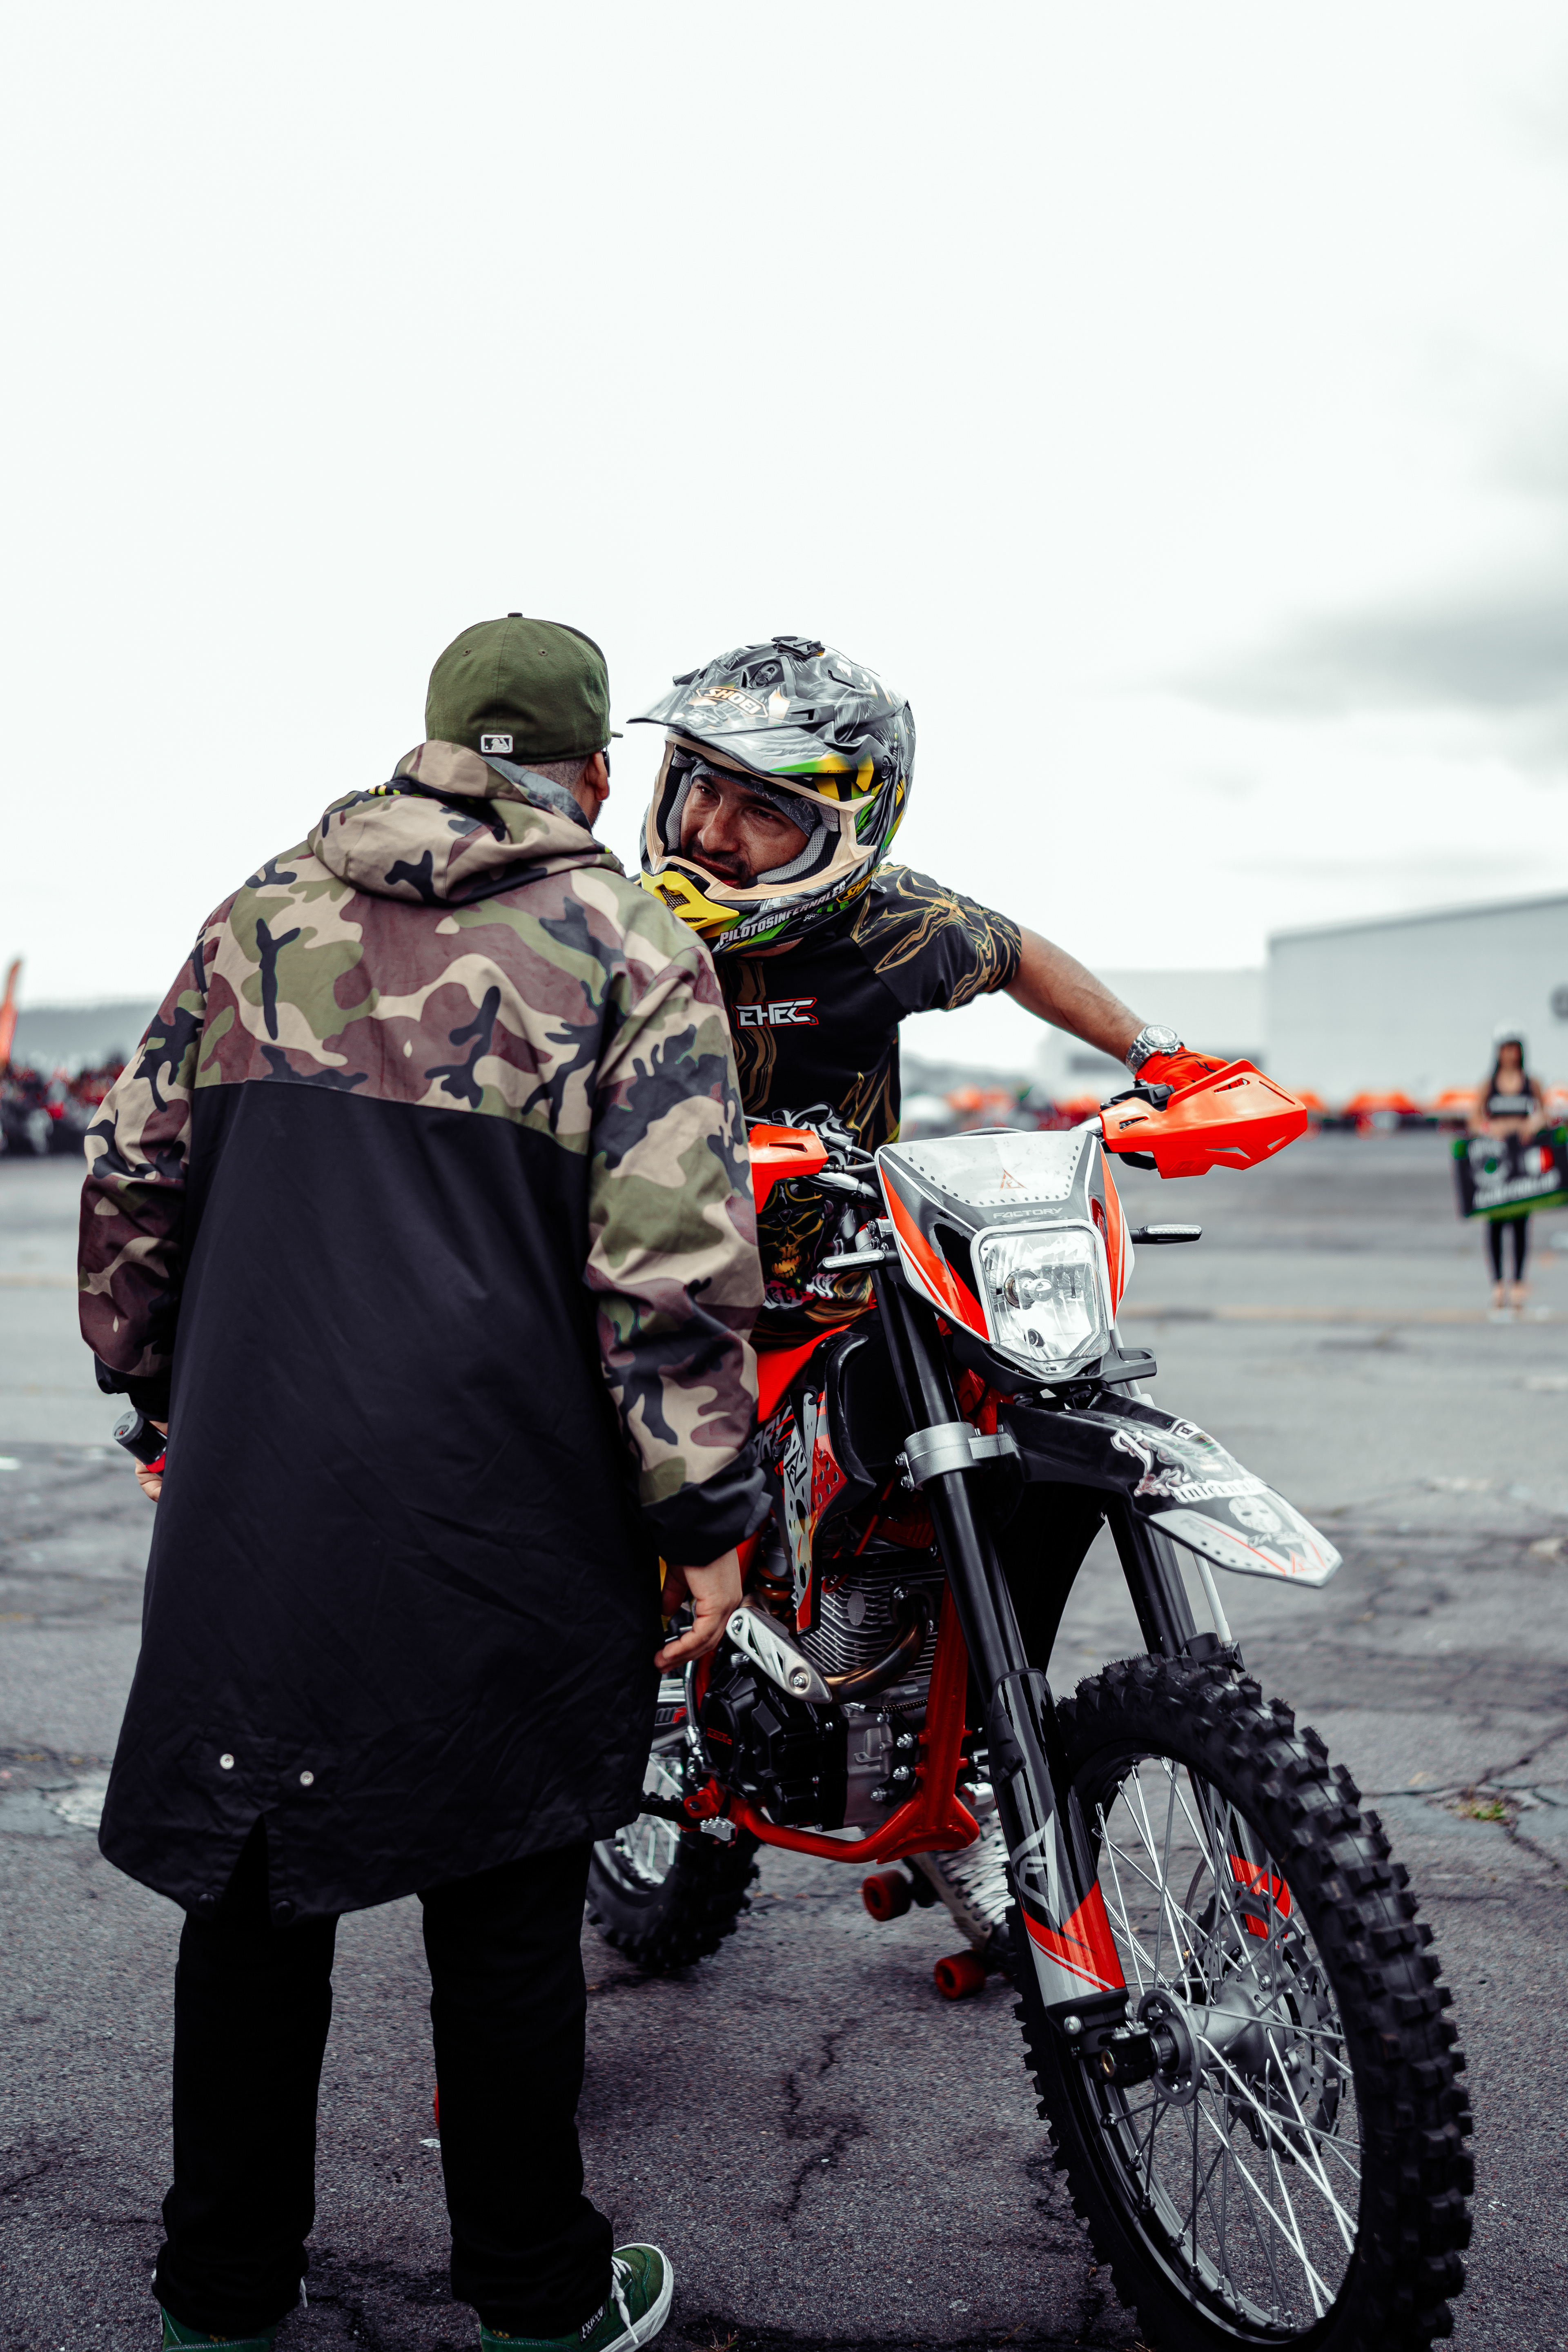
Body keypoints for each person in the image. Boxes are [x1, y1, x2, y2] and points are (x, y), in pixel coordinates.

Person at [79, 615, 766, 2352]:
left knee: (253, 1886)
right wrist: (705, 1520)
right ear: (593, 767)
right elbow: (669, 1271)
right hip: (507, 1506)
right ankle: (539, 2299)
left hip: (261, 1497)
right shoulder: (630, 944)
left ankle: (219, 2298)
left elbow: (132, 1182)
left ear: (437, 740)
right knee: (508, 1891)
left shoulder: (259, 916)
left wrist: (163, 1406)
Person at [631, 635, 1225, 1339]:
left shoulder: (892, 926)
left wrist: (1158, 1057)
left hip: (851, 1296)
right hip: (660, 1307)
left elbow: (1019, 953)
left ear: (843, 833)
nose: (712, 836)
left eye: (764, 812)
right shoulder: (613, 931)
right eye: (704, 790)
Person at [1469, 1025, 1547, 1318]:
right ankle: (1498, 1283)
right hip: (1496, 1163)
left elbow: (1544, 1113)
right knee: (1495, 1221)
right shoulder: (1488, 1085)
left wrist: (1532, 1125)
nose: (1510, 1055)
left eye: (1515, 1049)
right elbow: (1474, 1119)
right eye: (1506, 1049)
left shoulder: (1532, 1083)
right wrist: (1491, 1129)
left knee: (1521, 1221)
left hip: (1523, 1161)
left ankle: (1519, 1282)